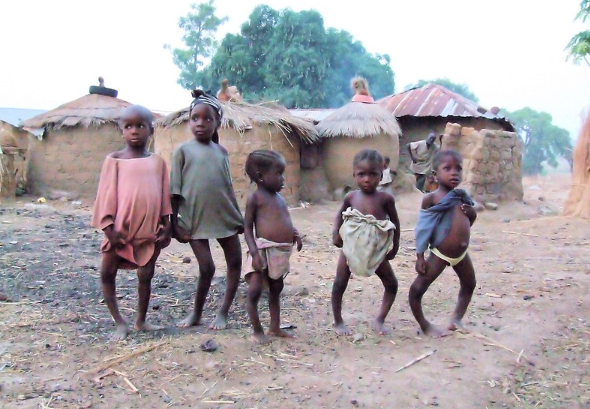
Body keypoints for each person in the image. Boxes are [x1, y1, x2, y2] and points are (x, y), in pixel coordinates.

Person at [92, 105, 172, 341]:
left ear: (151, 130)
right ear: (122, 130)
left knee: (146, 274)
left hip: (148, 231)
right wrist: (109, 229)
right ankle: (119, 322)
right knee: (107, 273)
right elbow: (105, 194)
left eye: (140, 126)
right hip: (120, 231)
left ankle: (141, 320)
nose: (134, 131)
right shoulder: (114, 160)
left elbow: (164, 196)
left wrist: (167, 225)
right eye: (128, 126)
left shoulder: (158, 162)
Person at [171, 90, 243, 330]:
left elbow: (227, 187)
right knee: (207, 267)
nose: (200, 123)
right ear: (189, 121)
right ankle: (196, 314)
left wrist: (238, 217)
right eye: (195, 118)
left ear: (217, 123)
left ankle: (223, 312)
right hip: (194, 219)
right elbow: (174, 191)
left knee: (235, 262)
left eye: (207, 119)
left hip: (224, 217)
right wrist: (173, 225)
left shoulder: (221, 152)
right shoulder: (182, 151)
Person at [331, 149, 401, 336]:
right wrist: (335, 233)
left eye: (373, 174)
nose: (367, 179)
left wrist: (395, 245)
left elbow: (395, 222)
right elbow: (340, 215)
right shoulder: (351, 197)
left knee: (391, 284)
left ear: (381, 174)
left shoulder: (386, 199)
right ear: (354, 174)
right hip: (351, 248)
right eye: (362, 174)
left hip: (375, 249)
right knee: (339, 283)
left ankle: (380, 320)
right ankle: (338, 321)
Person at [409, 150, 477, 337]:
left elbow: (467, 222)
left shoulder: (462, 197)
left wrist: (472, 215)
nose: (454, 173)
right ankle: (424, 325)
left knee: (469, 283)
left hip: (461, 255)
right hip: (440, 254)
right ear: (435, 174)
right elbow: (423, 228)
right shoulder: (431, 199)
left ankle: (456, 319)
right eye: (447, 169)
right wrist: (420, 256)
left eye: (458, 169)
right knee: (416, 290)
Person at [243, 150, 303, 344]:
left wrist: (294, 233)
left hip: (279, 251)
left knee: (277, 287)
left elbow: (284, 220)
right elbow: (247, 228)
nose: (283, 178)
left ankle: (275, 327)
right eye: (278, 174)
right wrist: (254, 253)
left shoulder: (279, 198)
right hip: (261, 250)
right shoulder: (255, 198)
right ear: (260, 177)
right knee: (254, 290)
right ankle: (257, 330)